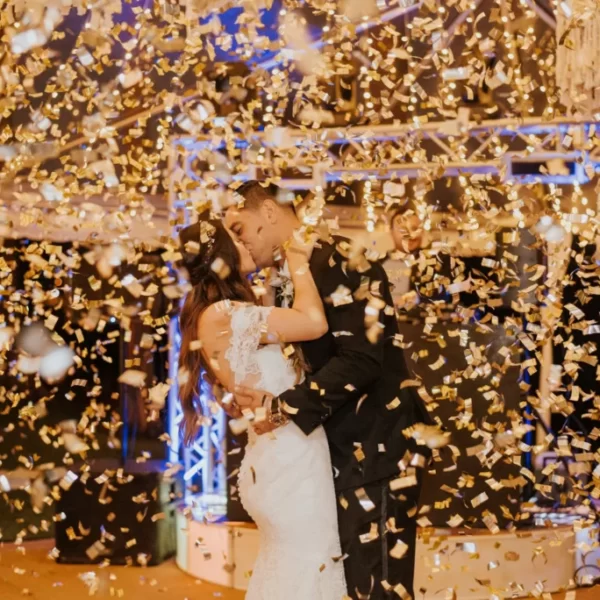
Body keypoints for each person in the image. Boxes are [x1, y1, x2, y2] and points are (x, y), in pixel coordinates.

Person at [226, 181, 433, 600]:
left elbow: (362, 359)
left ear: (269, 212)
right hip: (325, 461)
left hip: (374, 451)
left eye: (239, 227)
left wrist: (281, 407)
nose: (238, 240)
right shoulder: (279, 279)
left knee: (376, 588)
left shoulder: (344, 259)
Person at [177, 209, 348, 599]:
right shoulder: (223, 314)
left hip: (285, 456)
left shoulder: (228, 311)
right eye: (236, 238)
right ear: (221, 254)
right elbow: (314, 323)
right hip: (291, 462)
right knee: (309, 570)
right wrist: (298, 260)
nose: (246, 241)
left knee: (298, 572)